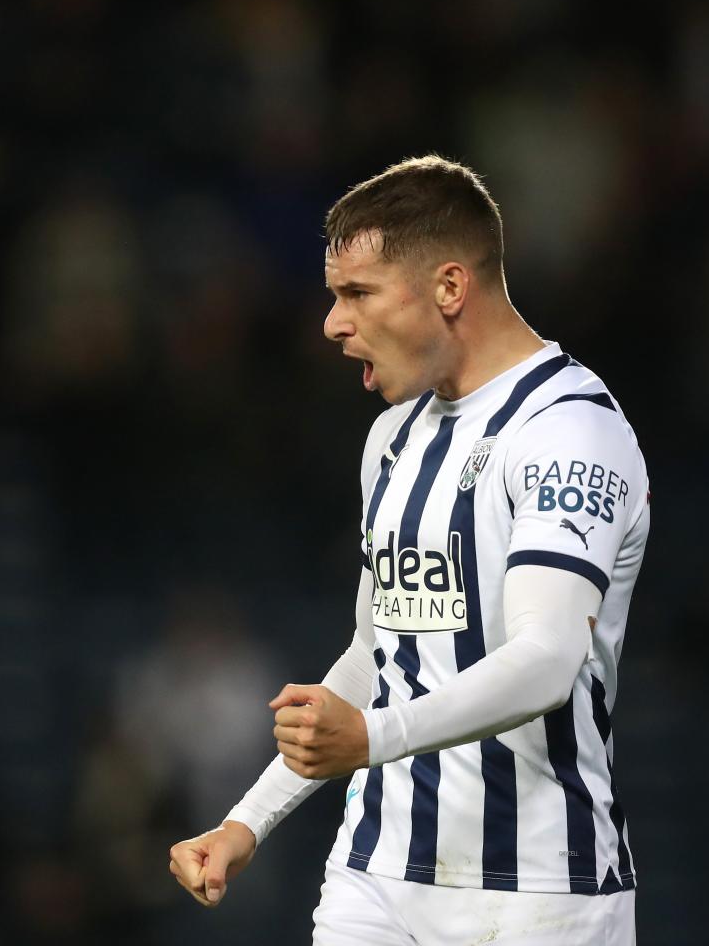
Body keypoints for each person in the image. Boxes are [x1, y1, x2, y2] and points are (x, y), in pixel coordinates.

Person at [169, 155, 650, 945]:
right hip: (378, 877)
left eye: (356, 293)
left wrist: (371, 739)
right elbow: (379, 650)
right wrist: (245, 823)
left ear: (450, 288)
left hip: (539, 891)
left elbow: (547, 659)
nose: (332, 322)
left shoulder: (569, 431)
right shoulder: (393, 438)